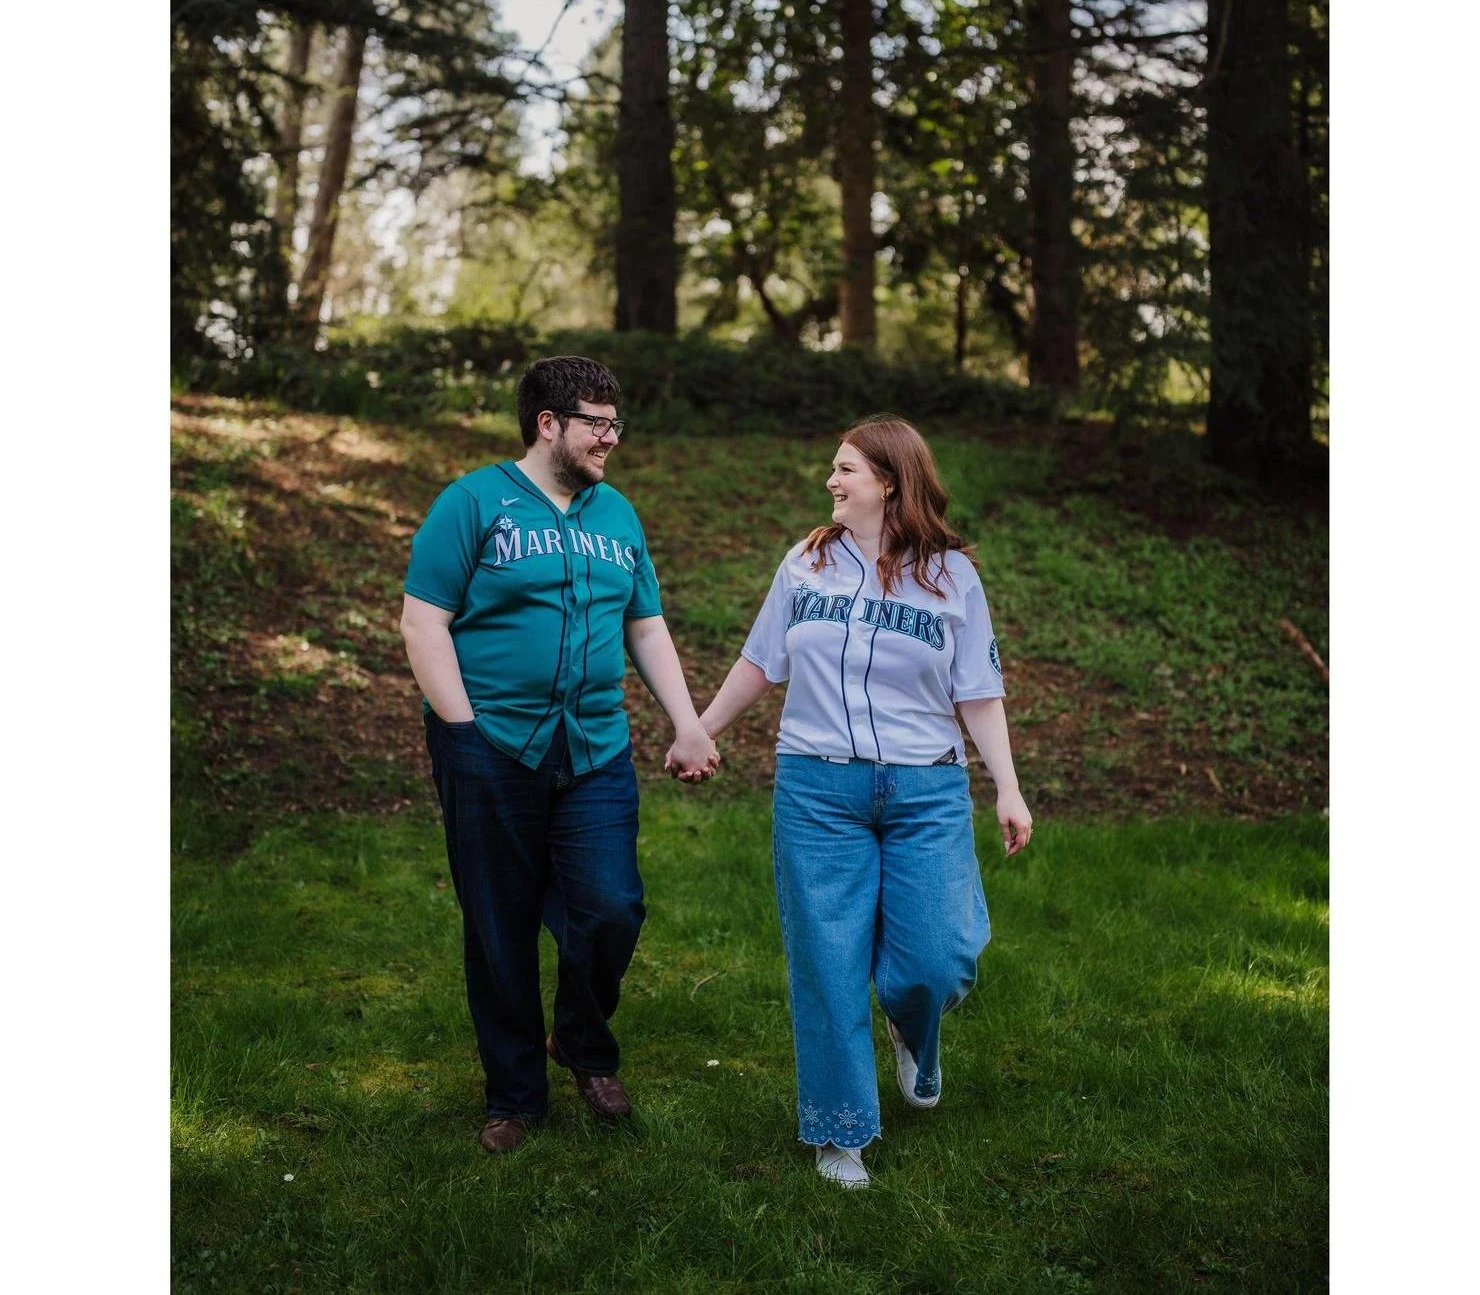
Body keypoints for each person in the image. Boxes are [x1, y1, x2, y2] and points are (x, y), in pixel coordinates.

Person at [694, 415, 1032, 1189]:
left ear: (889, 481)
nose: (831, 481)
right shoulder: (805, 563)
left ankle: (912, 1027)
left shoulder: (952, 576)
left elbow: (978, 691)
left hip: (926, 789)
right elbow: (761, 661)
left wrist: (1007, 787)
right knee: (828, 963)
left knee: (939, 957)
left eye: (845, 469)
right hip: (817, 789)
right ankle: (839, 1133)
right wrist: (700, 730)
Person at [401, 355, 718, 1154]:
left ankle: (579, 1040)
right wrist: (461, 730)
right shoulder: (473, 503)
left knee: (611, 908)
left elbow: (644, 624)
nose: (611, 438)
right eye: (596, 424)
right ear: (548, 424)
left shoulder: (618, 515)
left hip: (595, 748)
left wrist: (687, 723)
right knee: (499, 925)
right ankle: (514, 1096)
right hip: (490, 744)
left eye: (615, 423)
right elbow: (424, 620)